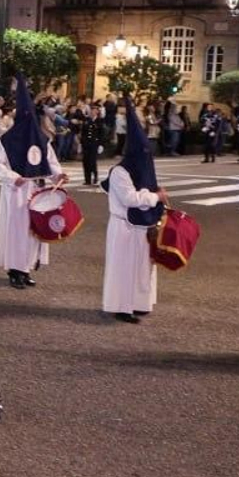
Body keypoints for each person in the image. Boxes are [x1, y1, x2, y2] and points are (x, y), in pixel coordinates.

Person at [0, 76, 66, 290]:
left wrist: (58, 176)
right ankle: (14, 270)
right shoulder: (6, 141)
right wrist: (14, 178)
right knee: (16, 231)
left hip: (37, 190)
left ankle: (26, 268)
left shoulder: (41, 140)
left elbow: (51, 162)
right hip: (16, 191)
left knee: (33, 230)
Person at [101, 99, 168, 324]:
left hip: (142, 225)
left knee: (142, 267)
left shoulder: (144, 168)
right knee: (124, 267)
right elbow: (130, 198)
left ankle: (140, 302)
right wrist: (155, 197)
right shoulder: (120, 171)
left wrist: (159, 202)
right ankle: (121, 306)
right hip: (124, 226)